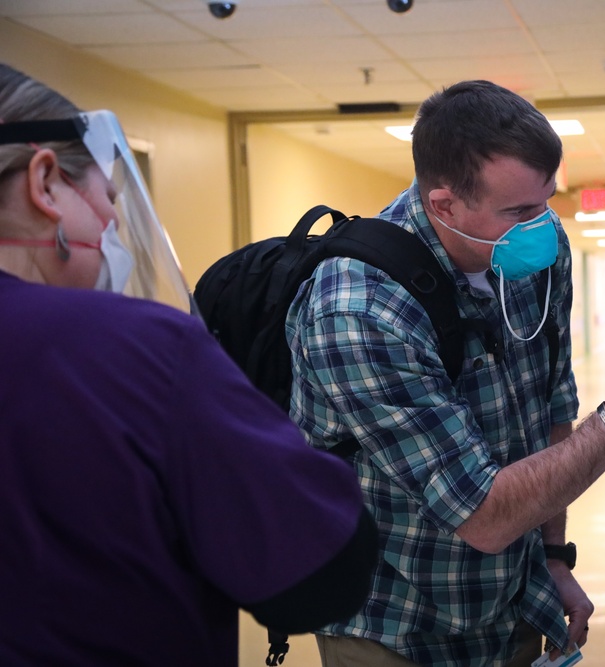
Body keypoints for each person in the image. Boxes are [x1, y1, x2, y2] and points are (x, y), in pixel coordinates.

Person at [286, 79, 605, 667]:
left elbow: (549, 406)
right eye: (518, 211)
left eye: (547, 202)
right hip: (395, 625)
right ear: (444, 205)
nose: (542, 226)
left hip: (512, 604)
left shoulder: (537, 250)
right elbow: (483, 516)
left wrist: (553, 556)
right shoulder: (358, 309)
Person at [0, 64, 378, 666]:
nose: (113, 227)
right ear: (45, 183)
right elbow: (320, 577)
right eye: (107, 199)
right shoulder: (135, 349)